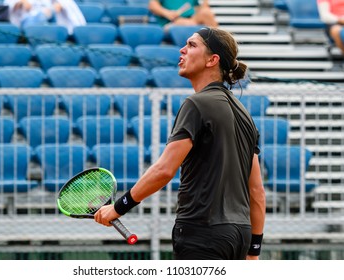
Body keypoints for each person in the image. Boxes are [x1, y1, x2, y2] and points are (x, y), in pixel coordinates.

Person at [94, 27, 266, 260]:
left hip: (202, 234)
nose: (182, 50)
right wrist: (253, 250)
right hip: (239, 236)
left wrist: (118, 207)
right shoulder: (245, 114)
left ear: (212, 60)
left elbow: (164, 170)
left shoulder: (196, 104)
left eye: (192, 45)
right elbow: (256, 191)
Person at [4, 0, 86, 34]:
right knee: (34, 19)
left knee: (46, 14)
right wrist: (20, 2)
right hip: (24, 23)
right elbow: (6, 7)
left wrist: (57, 6)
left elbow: (68, 6)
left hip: (50, 23)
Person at [148, 0, 218, 30]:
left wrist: (205, 2)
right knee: (182, 22)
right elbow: (152, 6)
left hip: (190, 20)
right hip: (171, 23)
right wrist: (167, 13)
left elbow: (198, 9)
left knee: (206, 13)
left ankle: (219, 43)